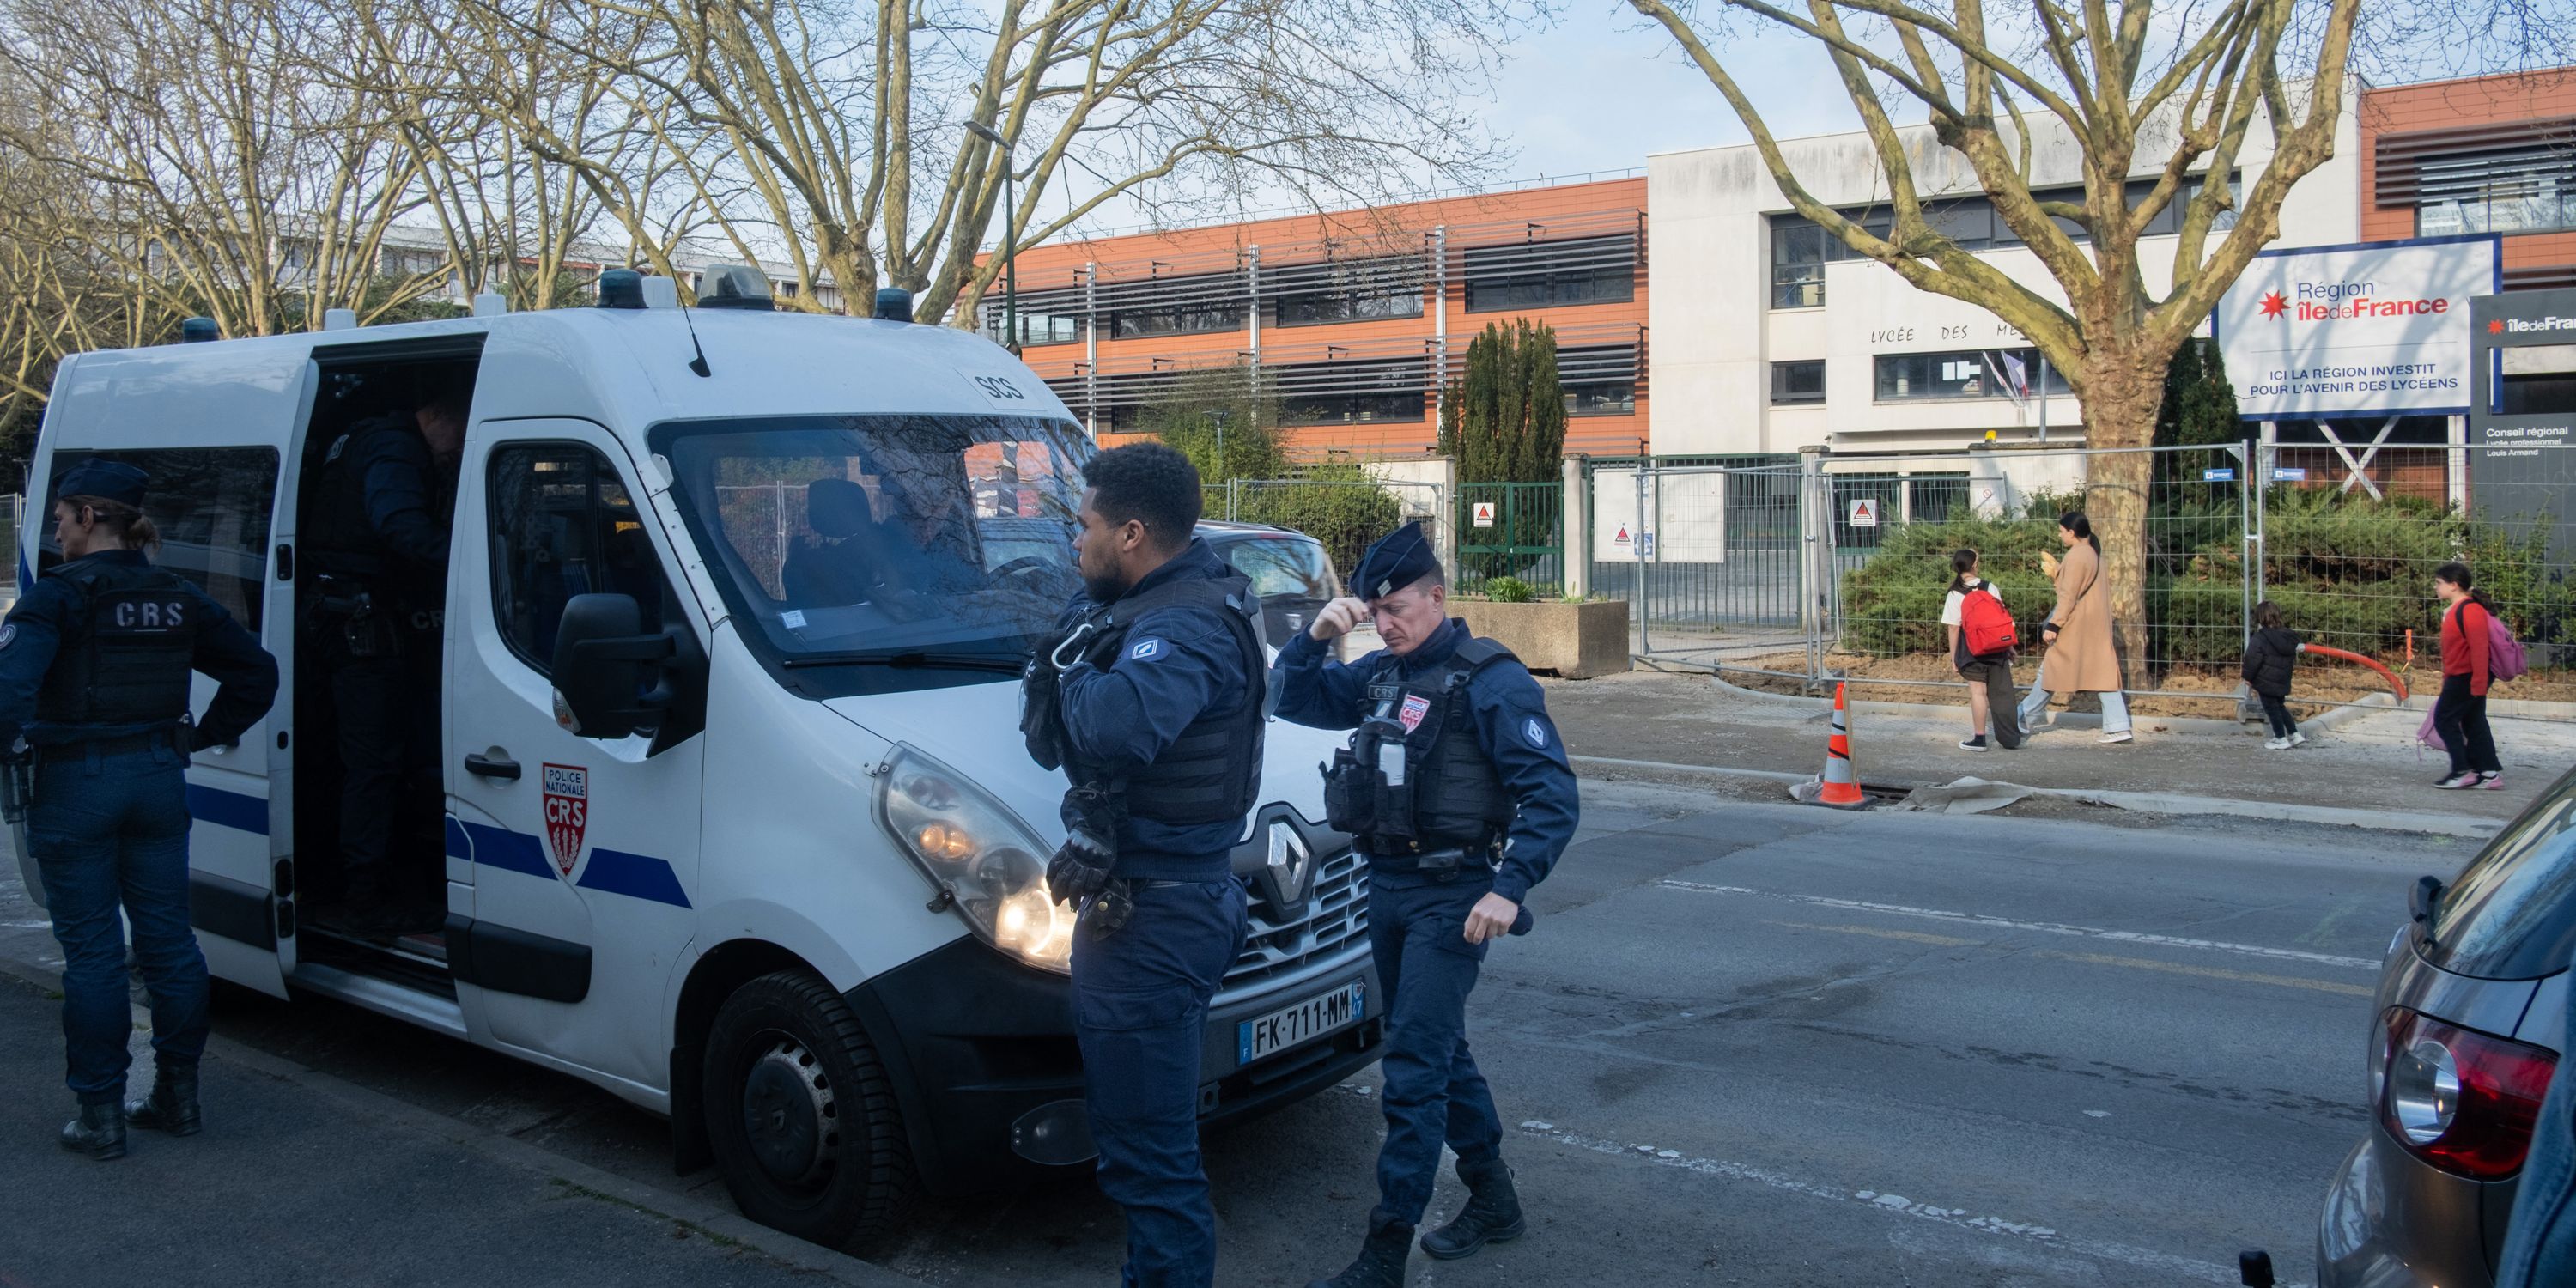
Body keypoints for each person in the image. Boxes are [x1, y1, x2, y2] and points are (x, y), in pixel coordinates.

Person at [1273, 520, 1580, 1288]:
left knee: (1410, 1067)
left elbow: (1553, 796)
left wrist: (1509, 888)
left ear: (1437, 597)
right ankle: (1494, 1199)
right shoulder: (1381, 674)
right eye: (1374, 611)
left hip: (1455, 896)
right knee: (1442, 1050)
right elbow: (1292, 699)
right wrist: (1315, 637)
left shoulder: (1493, 680)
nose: (1385, 622)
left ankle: (1383, 1256)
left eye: (1397, 608)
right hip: (1387, 889)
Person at [1025, 443, 1259, 1288]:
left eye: (1082, 526)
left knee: (1149, 1165)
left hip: (1156, 918)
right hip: (1172, 899)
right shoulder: (1171, 600)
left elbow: (1121, 727)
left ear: (1130, 532)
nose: (1072, 542)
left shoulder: (1184, 621)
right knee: (1151, 1151)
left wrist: (1069, 673)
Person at [0, 462, 278, 1159]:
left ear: (91, 517)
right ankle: (177, 1097)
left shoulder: (58, 598)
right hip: (158, 776)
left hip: (77, 783)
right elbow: (256, 671)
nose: (56, 530)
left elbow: (8, 693)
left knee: (93, 953)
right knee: (169, 942)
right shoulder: (174, 593)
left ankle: (100, 1116)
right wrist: (199, 736)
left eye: (61, 517)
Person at [302, 380, 465, 937]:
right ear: (439, 413)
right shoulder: (396, 448)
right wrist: (473, 559)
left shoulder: (365, 437)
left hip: (331, 613)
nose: (457, 452)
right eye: (460, 435)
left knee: (347, 760)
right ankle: (366, 897)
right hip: (359, 622)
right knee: (375, 764)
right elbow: (400, 527)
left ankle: (346, 882)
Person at [2016, 511, 2130, 744]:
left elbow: (2068, 596)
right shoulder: (2093, 554)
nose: (2059, 536)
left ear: (2072, 532)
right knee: (2103, 674)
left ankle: (2023, 717)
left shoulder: (2076, 555)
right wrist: (2059, 572)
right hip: (2095, 624)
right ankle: (2118, 726)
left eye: (2061, 532)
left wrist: (2054, 625)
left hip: (2076, 624)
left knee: (2049, 669)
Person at [2433, 562, 2504, 790]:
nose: (2436, 587)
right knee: (2473, 722)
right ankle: (2489, 774)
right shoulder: (2456, 610)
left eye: (2439, 583)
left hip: (2467, 676)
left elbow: (2480, 649)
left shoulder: (2470, 610)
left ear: (2453, 585)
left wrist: (2478, 683)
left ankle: (2462, 770)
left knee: (2443, 719)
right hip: (2462, 675)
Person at [1941, 548, 2020, 751]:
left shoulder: (1955, 593)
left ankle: (1979, 739)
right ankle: (2010, 739)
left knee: (1978, 693)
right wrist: (2008, 646)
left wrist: (1954, 656)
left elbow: (1953, 627)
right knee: (2002, 693)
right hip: (1996, 647)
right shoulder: (1989, 587)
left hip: (1971, 650)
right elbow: (2002, 619)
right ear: (1974, 565)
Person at [2240, 600, 2306, 750]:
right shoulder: (2289, 637)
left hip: (2265, 680)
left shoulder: (2260, 638)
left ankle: (2280, 738)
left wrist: (2248, 677)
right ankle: (2294, 734)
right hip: (2283, 679)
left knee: (2271, 709)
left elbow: (2252, 660)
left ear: (2260, 618)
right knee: (2280, 706)